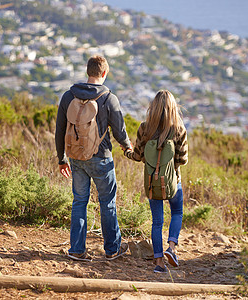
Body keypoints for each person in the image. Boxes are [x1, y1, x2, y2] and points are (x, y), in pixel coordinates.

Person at [55, 55, 133, 261]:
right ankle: (112, 249)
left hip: (76, 157)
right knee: (107, 203)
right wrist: (127, 146)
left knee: (79, 201)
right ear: (104, 73)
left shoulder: (68, 96)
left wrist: (61, 158)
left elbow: (60, 130)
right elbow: (119, 131)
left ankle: (77, 250)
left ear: (88, 72)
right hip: (101, 158)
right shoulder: (109, 98)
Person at [123, 90, 188, 273]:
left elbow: (137, 156)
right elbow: (183, 160)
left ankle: (159, 263)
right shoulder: (179, 129)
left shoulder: (145, 128)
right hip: (173, 182)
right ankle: (172, 248)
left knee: (157, 222)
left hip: (152, 182)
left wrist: (126, 150)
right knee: (177, 212)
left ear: (154, 107)